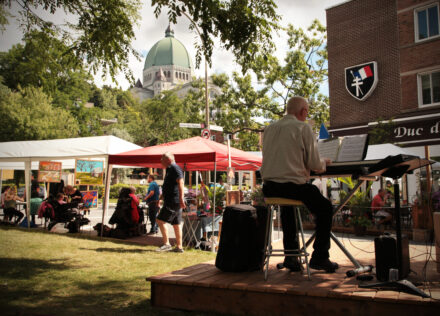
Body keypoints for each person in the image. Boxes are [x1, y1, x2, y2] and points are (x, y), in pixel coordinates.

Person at [261, 96, 338, 273]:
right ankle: (320, 257)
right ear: (303, 112)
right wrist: (324, 161)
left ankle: (292, 256)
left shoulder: (269, 128)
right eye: (307, 112)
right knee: (325, 207)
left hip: (269, 187)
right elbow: (314, 164)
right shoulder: (303, 127)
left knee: (288, 208)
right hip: (292, 186)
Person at [156, 152, 186, 253]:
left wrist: (181, 199)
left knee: (160, 221)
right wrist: (160, 198)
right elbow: (167, 186)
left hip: (173, 201)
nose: (161, 162)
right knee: (176, 224)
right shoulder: (169, 169)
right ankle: (179, 247)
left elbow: (181, 182)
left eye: (162, 160)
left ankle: (166, 244)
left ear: (168, 159)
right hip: (172, 200)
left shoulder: (175, 168)